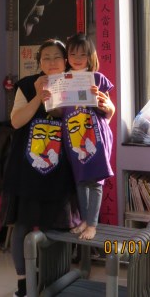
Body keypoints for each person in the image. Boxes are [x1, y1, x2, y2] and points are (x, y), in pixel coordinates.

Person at [1, 38, 79, 297]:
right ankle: (24, 283)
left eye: (57, 57)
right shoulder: (27, 85)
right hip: (28, 170)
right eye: (46, 57)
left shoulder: (74, 83)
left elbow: (80, 120)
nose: (52, 62)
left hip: (61, 171)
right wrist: (37, 96)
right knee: (23, 226)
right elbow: (16, 122)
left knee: (57, 225)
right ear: (39, 62)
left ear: (65, 61)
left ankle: (52, 277)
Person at [62, 33, 115, 240]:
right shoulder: (62, 80)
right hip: (74, 137)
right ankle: (85, 220)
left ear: (90, 56)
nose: (77, 58)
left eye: (82, 54)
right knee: (80, 179)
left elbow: (108, 108)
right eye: (73, 54)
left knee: (95, 181)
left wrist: (98, 100)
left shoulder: (97, 78)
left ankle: (92, 224)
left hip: (97, 135)